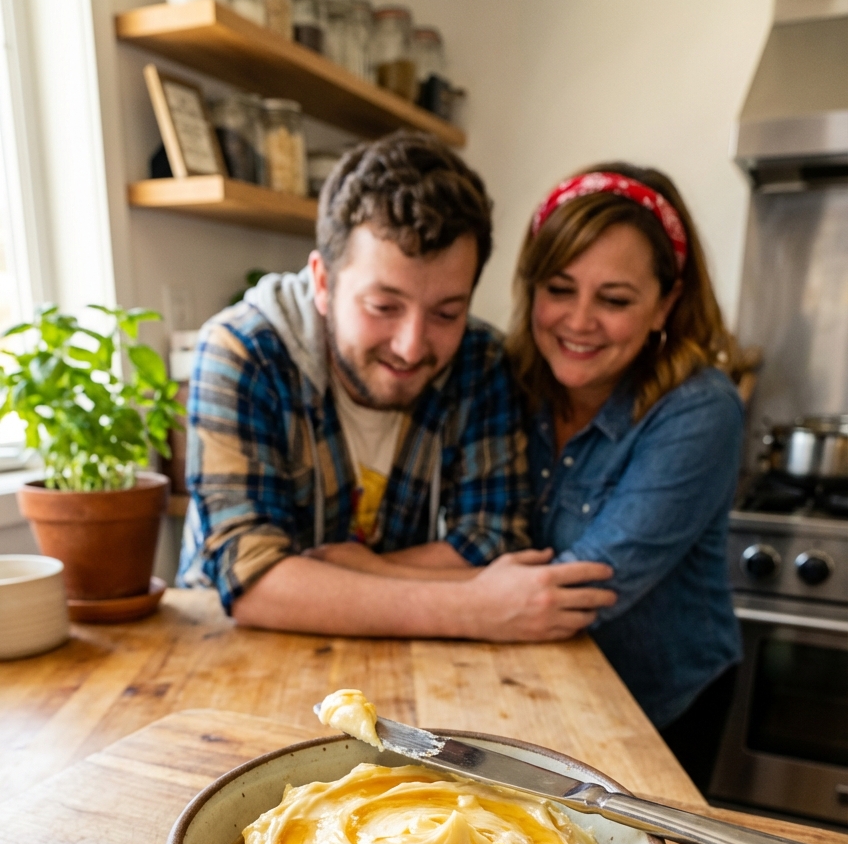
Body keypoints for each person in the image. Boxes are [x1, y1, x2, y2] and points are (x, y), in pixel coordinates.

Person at [179, 132, 614, 641]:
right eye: (383, 307)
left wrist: (346, 572)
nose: (411, 346)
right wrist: (473, 606)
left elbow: (491, 538)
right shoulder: (241, 352)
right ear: (322, 282)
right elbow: (252, 580)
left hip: (401, 659)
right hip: (227, 658)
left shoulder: (482, 358)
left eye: (446, 312)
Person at [507, 164, 744, 790]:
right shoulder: (510, 381)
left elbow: (579, 591)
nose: (578, 321)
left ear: (665, 302)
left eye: (613, 300)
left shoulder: (701, 408)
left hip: (660, 705)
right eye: (559, 288)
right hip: (533, 691)